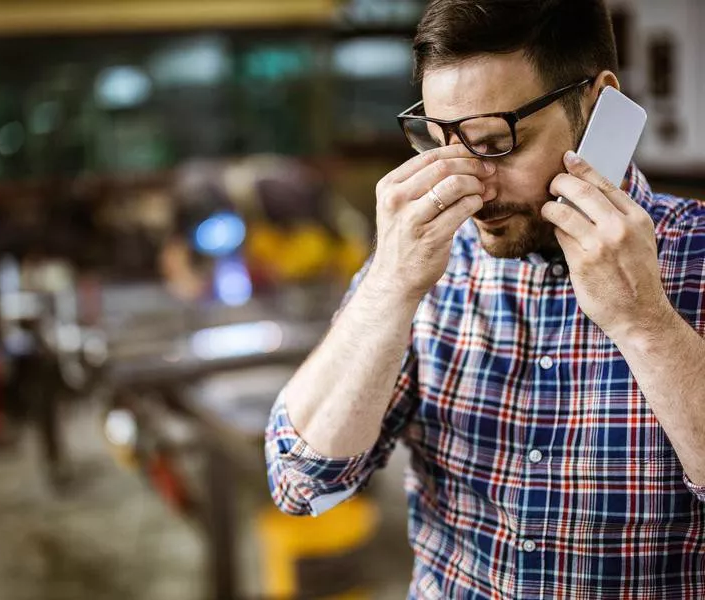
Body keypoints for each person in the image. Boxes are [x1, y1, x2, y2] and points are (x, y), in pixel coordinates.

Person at [265, 1, 705, 598]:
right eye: (443, 142)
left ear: (600, 107)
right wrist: (389, 287)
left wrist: (646, 325)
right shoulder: (424, 263)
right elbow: (301, 484)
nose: (469, 184)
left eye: (497, 142)